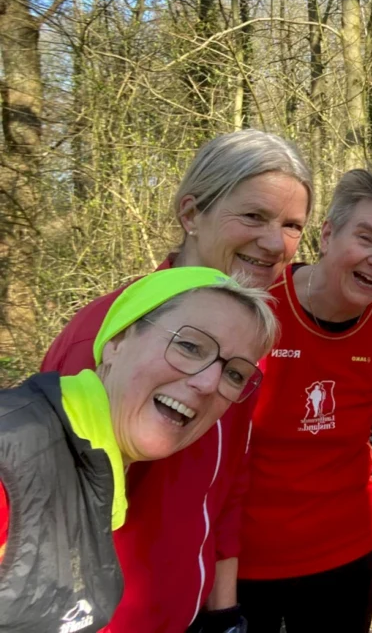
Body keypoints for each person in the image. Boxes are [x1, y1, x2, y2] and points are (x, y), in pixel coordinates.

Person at [41, 129, 313, 633]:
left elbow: (228, 483)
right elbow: (40, 516)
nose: (276, 243)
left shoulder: (244, 345)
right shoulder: (105, 342)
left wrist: (223, 611)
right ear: (191, 215)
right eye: (253, 216)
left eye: (292, 225)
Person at [1, 267, 277, 632]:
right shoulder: (16, 458)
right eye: (190, 346)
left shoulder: (97, 465)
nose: (210, 382)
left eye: (235, 374)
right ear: (117, 340)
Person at [237, 168, 372, 633]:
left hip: (346, 557)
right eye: (367, 238)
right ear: (327, 234)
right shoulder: (252, 306)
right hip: (240, 560)